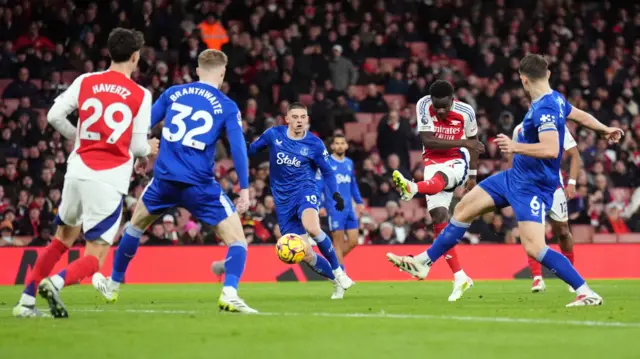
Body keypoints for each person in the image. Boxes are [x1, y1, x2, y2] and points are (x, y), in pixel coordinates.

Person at [388, 54, 623, 307]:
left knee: (535, 248)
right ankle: (424, 262)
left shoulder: (544, 108)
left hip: (533, 186)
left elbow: (551, 149)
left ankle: (585, 291)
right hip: (513, 177)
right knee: (464, 207)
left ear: (523, 80)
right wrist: (604, 129)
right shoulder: (555, 99)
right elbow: (578, 114)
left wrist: (514, 146)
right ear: (548, 75)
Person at [91, 49, 257, 314]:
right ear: (222, 73)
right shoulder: (226, 106)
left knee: (135, 227)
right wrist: (245, 190)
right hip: (199, 186)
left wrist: (143, 153)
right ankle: (229, 293)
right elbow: (238, 149)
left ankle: (112, 284)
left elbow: (141, 125)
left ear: (198, 70)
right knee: (238, 241)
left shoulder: (173, 93)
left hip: (164, 182)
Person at [13, 28, 158, 318]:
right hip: (108, 177)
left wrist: (79, 138)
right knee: (95, 256)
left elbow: (53, 116)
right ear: (134, 56)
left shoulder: (85, 80)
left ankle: (25, 302)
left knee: (61, 239)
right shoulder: (140, 94)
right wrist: (150, 148)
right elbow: (140, 144)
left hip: (76, 170)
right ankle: (55, 283)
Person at [214, 103, 354, 299]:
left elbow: (328, 172)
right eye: (295, 117)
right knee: (306, 255)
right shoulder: (274, 134)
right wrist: (236, 141)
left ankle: (339, 270)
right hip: (283, 201)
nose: (299, 121)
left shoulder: (314, 144)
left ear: (307, 120)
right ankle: (336, 281)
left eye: (302, 117)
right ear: (287, 119)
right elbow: (251, 150)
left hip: (305, 191)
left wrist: (336, 194)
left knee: (312, 227)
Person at [391, 80, 484, 302]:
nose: (440, 111)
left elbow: (474, 144)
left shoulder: (466, 112)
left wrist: (472, 175)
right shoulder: (424, 104)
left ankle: (412, 187)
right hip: (432, 160)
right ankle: (460, 277)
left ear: (453, 100)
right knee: (439, 218)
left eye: (445, 106)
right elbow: (428, 141)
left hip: (457, 160)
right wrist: (465, 141)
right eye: (437, 106)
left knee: (440, 181)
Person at [511, 123, 582, 293]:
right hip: (529, 190)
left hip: (554, 189)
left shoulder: (557, 127)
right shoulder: (519, 129)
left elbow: (575, 155)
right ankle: (537, 278)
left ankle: (570, 275)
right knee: (532, 233)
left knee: (563, 231)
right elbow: (513, 158)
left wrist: (571, 183)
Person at [315, 134, 364, 298]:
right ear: (332, 146)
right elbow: (320, 185)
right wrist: (321, 205)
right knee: (337, 243)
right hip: (334, 208)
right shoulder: (327, 162)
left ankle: (334, 263)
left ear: (347, 146)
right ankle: (341, 278)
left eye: (343, 143)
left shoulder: (349, 163)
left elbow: (353, 184)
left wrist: (359, 202)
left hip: (349, 208)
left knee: (354, 241)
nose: (340, 146)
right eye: (337, 143)